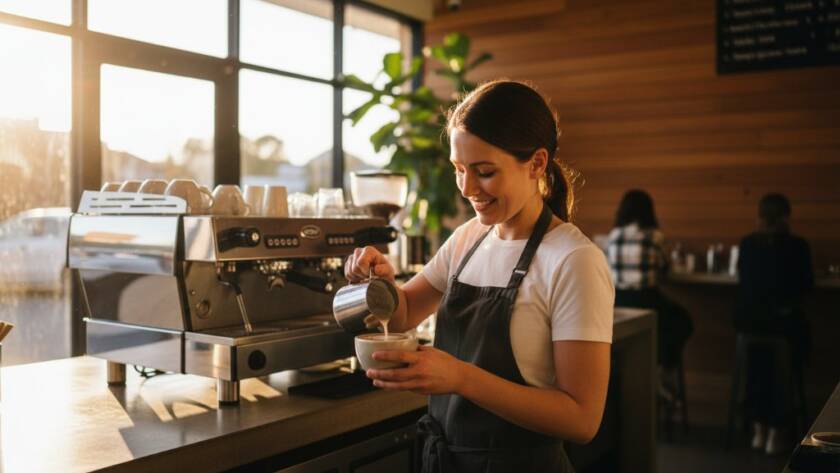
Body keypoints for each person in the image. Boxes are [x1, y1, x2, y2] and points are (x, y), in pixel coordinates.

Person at [344, 80, 614, 472]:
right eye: (458, 169)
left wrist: (460, 377)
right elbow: (401, 315)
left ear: (537, 163)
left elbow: (581, 419)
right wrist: (379, 282)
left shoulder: (573, 260)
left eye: (484, 172)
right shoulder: (467, 239)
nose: (467, 188)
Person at [735, 193, 812, 455]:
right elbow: (805, 286)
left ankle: (758, 428)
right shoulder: (798, 246)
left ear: (759, 216)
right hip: (783, 324)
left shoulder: (746, 244)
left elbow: (744, 282)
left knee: (759, 360)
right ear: (785, 217)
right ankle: (778, 431)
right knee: (789, 350)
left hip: (750, 325)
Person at [606, 190, 693, 374]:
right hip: (647, 300)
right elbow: (665, 267)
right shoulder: (655, 237)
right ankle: (662, 365)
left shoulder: (614, 236)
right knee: (683, 321)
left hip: (618, 303)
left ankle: (644, 366)